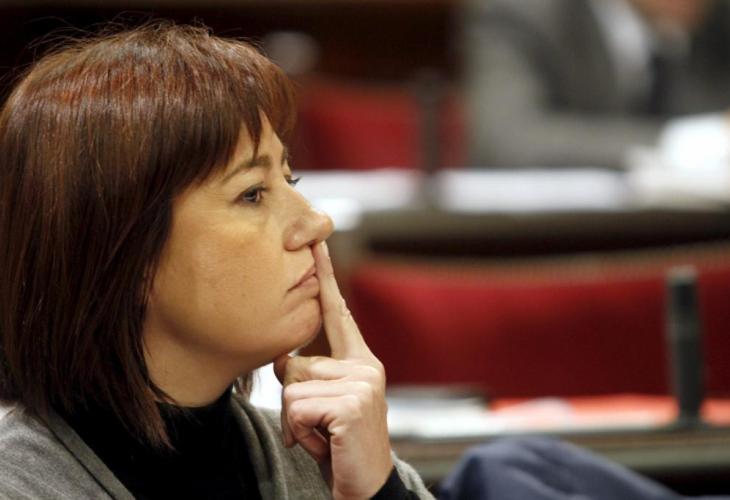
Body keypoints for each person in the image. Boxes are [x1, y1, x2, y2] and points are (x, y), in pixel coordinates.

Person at [0, 23, 433, 499]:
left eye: (290, 179)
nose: (316, 223)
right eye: (252, 194)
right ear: (125, 253)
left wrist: (380, 493)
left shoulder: (342, 462)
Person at [462, 0, 730, 168]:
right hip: (543, 235)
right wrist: (682, 141)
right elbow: (512, 140)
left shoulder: (711, 21)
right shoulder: (526, 10)